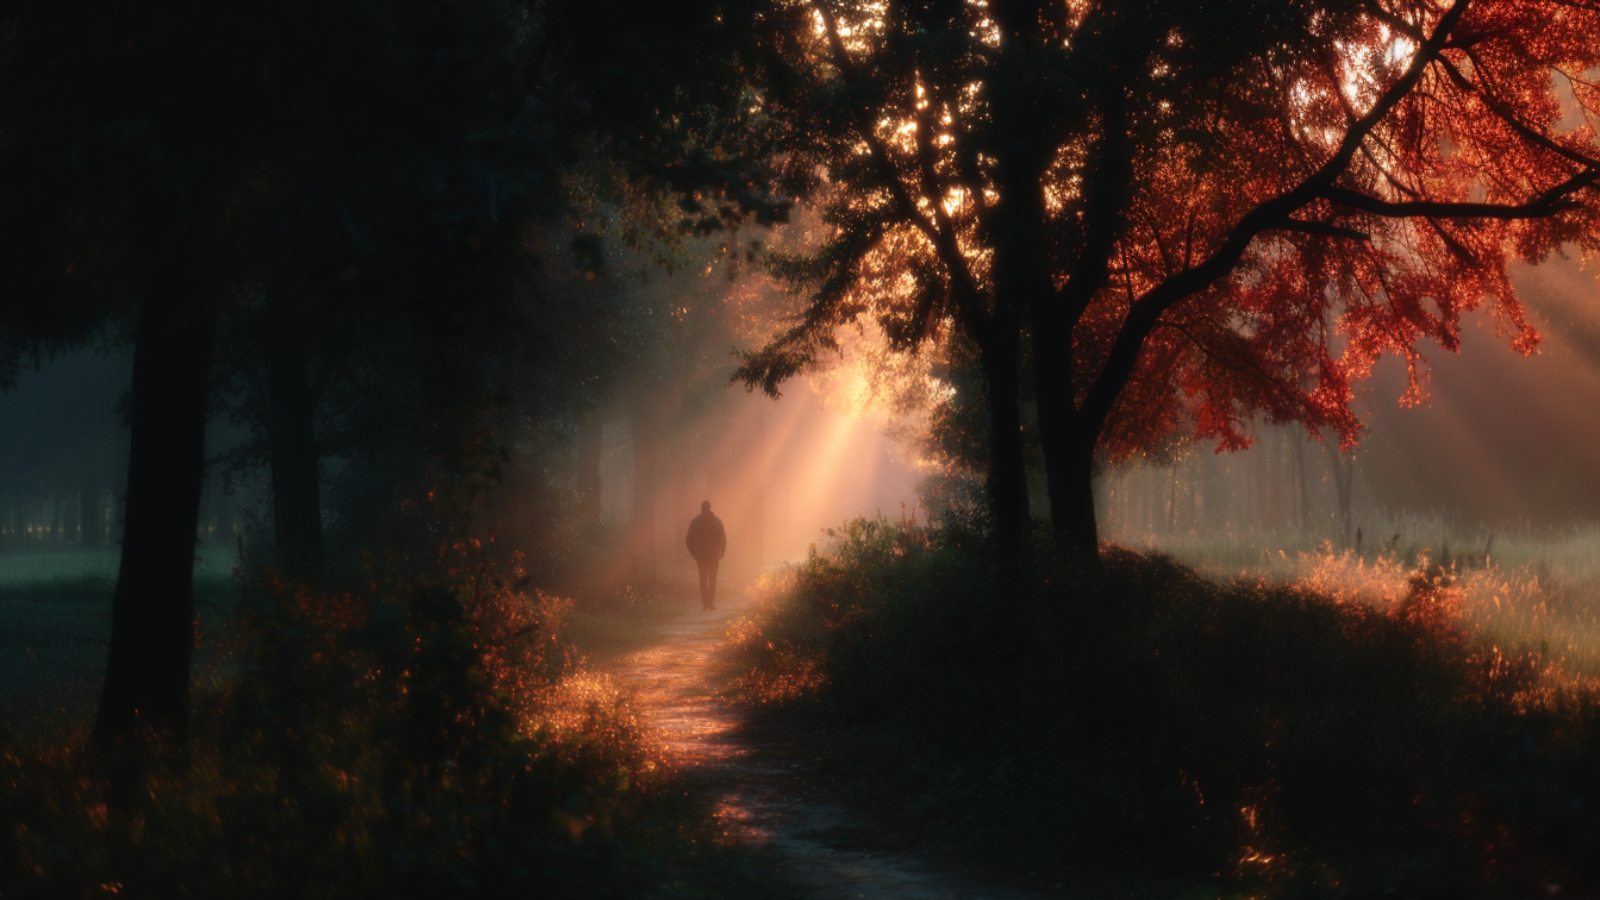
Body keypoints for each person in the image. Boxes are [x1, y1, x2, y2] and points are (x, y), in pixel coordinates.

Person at [685, 500, 726, 611]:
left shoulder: (695, 522)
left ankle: (704, 604)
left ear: (701, 508)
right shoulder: (717, 521)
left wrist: (694, 553)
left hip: (701, 556)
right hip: (713, 555)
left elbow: (689, 540)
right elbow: (722, 538)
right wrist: (722, 551)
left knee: (703, 578)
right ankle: (710, 602)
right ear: (710, 508)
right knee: (712, 578)